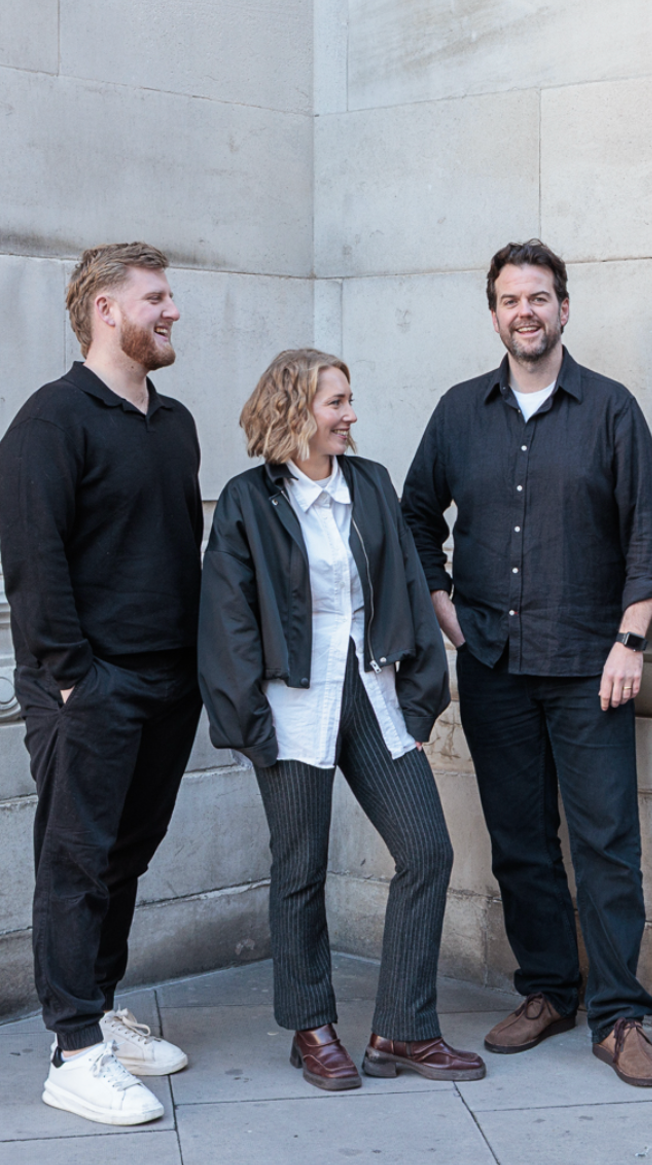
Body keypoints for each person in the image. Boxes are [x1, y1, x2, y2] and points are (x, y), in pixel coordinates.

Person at [402, 239, 652, 1088]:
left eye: (540, 297)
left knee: (606, 844)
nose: (526, 311)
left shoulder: (610, 409)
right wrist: (451, 619)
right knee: (520, 842)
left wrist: (631, 640)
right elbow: (415, 518)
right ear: (494, 313)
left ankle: (619, 1015)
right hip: (493, 664)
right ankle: (549, 991)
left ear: (565, 308)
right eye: (511, 299)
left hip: (591, 666)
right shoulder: (459, 412)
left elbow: (650, 536)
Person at [198, 350, 478, 1091]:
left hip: (373, 692)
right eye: (337, 402)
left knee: (427, 851)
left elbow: (409, 590)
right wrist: (248, 723)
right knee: (300, 869)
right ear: (296, 411)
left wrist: (420, 696)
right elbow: (225, 619)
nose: (350, 414)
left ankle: (403, 1031)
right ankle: (310, 1026)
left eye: (349, 401)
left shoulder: (371, 484)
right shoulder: (247, 502)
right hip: (292, 704)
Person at [0, 243, 199, 1126]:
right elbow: (34, 564)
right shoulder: (51, 421)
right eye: (156, 297)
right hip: (90, 687)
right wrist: (76, 680)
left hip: (168, 683)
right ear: (106, 310)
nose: (172, 310)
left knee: (127, 853)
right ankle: (73, 1049)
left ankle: (103, 1010)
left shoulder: (175, 421)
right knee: (75, 862)